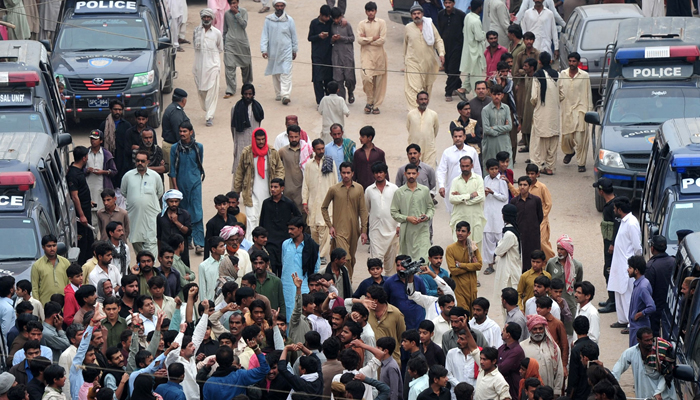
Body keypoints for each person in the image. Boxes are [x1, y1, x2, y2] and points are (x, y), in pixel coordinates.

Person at [233, 128, 285, 238]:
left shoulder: (272, 152)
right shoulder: (247, 153)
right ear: (254, 139)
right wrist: (236, 190)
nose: (261, 142)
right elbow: (240, 172)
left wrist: (277, 184)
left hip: (268, 194)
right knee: (252, 218)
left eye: (263, 139)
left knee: (266, 219)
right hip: (251, 193)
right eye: (258, 139)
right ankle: (251, 245)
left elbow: (280, 169)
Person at [322, 162, 369, 279]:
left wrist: (363, 231)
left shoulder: (359, 189)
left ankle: (349, 282)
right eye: (343, 173)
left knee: (351, 258)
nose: (346, 175)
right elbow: (324, 207)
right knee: (345, 257)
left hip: (354, 230)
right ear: (340, 173)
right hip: (339, 231)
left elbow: (363, 210)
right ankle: (345, 282)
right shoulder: (334, 189)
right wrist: (330, 226)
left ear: (353, 173)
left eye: (348, 173)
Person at [170, 122, 205, 254]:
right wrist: (176, 188)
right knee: (183, 212)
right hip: (180, 184)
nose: (182, 134)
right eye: (180, 131)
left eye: (185, 131)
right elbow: (172, 170)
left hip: (195, 183)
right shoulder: (175, 148)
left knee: (197, 211)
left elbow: (199, 164)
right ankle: (187, 240)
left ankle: (199, 242)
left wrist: (196, 179)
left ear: (191, 132)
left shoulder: (198, 147)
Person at [608, 196, 642, 332]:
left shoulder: (632, 223)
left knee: (628, 294)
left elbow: (637, 247)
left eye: (615, 208)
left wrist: (634, 265)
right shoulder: (623, 221)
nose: (614, 210)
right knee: (619, 292)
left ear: (620, 209)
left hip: (627, 264)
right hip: (618, 263)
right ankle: (622, 319)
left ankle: (631, 323)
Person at [612, 328, 676, 400]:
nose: (650, 343)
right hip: (643, 396)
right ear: (638, 340)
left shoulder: (660, 353)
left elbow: (666, 376)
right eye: (647, 340)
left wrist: (658, 393)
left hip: (663, 397)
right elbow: (617, 371)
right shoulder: (630, 353)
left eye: (651, 339)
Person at [121, 151, 165, 256]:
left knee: (151, 244)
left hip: (151, 217)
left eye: (142, 161)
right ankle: (143, 268)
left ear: (148, 162)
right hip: (134, 218)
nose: (140, 163)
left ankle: (151, 268)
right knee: (137, 245)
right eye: (138, 161)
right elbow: (124, 192)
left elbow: (159, 193)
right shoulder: (128, 176)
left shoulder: (155, 176)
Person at [403, 3, 445, 109]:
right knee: (414, 87)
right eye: (414, 14)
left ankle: (423, 107)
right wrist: (406, 61)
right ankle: (413, 110)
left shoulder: (429, 25)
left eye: (418, 13)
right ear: (411, 15)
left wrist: (441, 53)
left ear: (422, 14)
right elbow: (405, 45)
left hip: (428, 62)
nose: (416, 16)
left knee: (426, 87)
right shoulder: (408, 28)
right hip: (413, 62)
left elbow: (438, 40)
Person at [302, 139, 338, 263]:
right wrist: (305, 201)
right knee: (313, 229)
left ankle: (322, 255)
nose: (321, 151)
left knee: (324, 228)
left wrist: (336, 199)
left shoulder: (329, 162)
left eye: (323, 148)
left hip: (326, 202)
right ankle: (316, 253)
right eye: (319, 149)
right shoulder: (309, 165)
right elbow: (305, 184)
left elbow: (335, 182)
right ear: (313, 150)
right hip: (313, 202)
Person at [391, 164, 435, 262]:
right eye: (409, 173)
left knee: (423, 260)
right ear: (405, 174)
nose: (411, 176)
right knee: (408, 261)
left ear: (418, 174)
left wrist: (426, 216)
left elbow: (431, 208)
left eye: (413, 173)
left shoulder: (424, 190)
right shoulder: (399, 192)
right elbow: (394, 212)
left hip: (422, 230)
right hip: (407, 232)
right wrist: (407, 218)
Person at [260, 178, 302, 275]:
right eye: (271, 187)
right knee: (272, 268)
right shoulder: (266, 203)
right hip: (270, 241)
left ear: (282, 188)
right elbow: (262, 221)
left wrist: (291, 227)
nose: (273, 189)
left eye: (276, 187)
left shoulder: (288, 203)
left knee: (284, 268)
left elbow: (298, 217)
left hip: (284, 241)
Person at [558, 52, 592, 172]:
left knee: (580, 137)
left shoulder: (584, 75)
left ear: (578, 62)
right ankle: (569, 152)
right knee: (567, 137)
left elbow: (588, 93)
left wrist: (590, 112)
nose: (572, 63)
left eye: (574, 61)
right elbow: (560, 92)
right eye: (570, 61)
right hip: (567, 110)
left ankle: (581, 163)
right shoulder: (563, 74)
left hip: (581, 110)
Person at [281, 218, 321, 320]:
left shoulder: (312, 246)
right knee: (288, 313)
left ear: (300, 229)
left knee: (303, 314)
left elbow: (315, 268)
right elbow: (283, 263)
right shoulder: (285, 244)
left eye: (292, 229)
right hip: (287, 286)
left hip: (304, 286)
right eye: (288, 229)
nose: (289, 231)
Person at [529, 52, 562, 175]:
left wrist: (537, 106)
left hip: (541, 113)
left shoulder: (537, 76)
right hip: (554, 114)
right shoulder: (558, 75)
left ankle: (536, 167)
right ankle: (550, 167)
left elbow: (533, 97)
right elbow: (562, 95)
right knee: (553, 141)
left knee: (538, 142)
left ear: (539, 62)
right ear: (551, 61)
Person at [365, 162, 400, 276]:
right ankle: (377, 290)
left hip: (393, 231)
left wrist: (399, 225)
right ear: (373, 174)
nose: (379, 175)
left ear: (385, 173)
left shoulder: (394, 188)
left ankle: (390, 290)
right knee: (376, 263)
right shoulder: (369, 190)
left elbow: (400, 208)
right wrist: (364, 231)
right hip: (376, 232)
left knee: (391, 266)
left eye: (381, 172)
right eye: (376, 173)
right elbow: (366, 210)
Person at [261, 0, 298, 105]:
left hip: (287, 50)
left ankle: (285, 95)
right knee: (276, 72)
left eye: (282, 6)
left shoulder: (289, 20)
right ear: (274, 7)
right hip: (273, 51)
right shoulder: (268, 20)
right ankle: (278, 93)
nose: (280, 8)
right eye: (277, 6)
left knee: (286, 72)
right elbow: (264, 35)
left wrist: (294, 49)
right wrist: (263, 49)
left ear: (284, 7)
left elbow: (294, 36)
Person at [438, 127, 481, 214]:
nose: (458, 138)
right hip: (453, 188)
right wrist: (441, 186)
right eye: (455, 136)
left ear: (464, 137)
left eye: (460, 136)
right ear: (453, 138)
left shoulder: (471, 151)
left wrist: (479, 187)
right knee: (454, 215)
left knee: (469, 214)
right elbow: (441, 170)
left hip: (470, 187)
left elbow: (477, 169)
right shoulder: (447, 152)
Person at [193, 9, 223, 127]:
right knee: (202, 92)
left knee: (212, 91)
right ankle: (208, 110)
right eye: (204, 17)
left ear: (212, 19)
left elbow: (220, 48)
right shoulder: (196, 31)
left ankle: (209, 116)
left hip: (213, 66)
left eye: (208, 17)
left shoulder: (216, 33)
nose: (206, 19)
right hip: (199, 67)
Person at [521, 315, 564, 396]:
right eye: (535, 329)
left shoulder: (553, 347)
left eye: (540, 329)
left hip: (549, 392)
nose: (538, 331)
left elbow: (559, 371)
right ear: (530, 330)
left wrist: (557, 391)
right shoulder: (523, 347)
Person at [357, 1, 388, 115]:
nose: (370, 13)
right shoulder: (362, 24)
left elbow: (382, 40)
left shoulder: (381, 23)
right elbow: (360, 40)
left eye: (372, 11)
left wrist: (367, 40)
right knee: (366, 78)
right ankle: (369, 100)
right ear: (366, 12)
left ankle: (376, 105)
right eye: (368, 11)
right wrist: (373, 38)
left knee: (379, 82)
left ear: (375, 11)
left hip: (379, 57)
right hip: (366, 57)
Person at [594, 178, 619, 313]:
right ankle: (611, 298)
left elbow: (617, 226)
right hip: (608, 242)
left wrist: (613, 244)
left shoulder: (612, 207)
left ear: (601, 191)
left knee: (609, 270)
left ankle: (614, 301)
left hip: (611, 244)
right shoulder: (613, 203)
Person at [67, 146, 95, 265]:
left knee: (90, 240)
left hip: (86, 208)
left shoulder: (79, 172)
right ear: (84, 158)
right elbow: (74, 196)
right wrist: (82, 215)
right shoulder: (73, 174)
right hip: (80, 216)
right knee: (83, 242)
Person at [449, 156, 485, 246]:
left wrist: (462, 199)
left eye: (467, 166)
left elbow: (481, 197)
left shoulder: (478, 179)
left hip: (475, 219)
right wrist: (469, 196)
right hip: (460, 218)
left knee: (476, 250)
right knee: (460, 250)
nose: (465, 168)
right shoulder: (455, 181)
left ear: (472, 166)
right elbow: (452, 199)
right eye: (462, 166)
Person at [231, 84, 264, 180]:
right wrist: (237, 141)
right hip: (241, 141)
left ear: (253, 94)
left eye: (250, 94)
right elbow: (233, 128)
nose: (248, 96)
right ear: (242, 94)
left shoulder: (257, 108)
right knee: (239, 168)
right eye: (246, 94)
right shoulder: (235, 108)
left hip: (255, 142)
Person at [447, 222, 482, 311]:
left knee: (473, 312)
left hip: (472, 286)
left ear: (469, 233)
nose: (460, 233)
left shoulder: (473, 246)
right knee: (463, 312)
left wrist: (461, 265)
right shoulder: (450, 249)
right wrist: (471, 267)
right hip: (459, 287)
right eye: (458, 231)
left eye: (463, 231)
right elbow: (453, 270)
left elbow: (479, 265)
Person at [509, 177, 542, 272]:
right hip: (520, 234)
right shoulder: (514, 202)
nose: (522, 187)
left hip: (533, 234)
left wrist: (533, 227)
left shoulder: (536, 200)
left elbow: (540, 216)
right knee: (520, 256)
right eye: (520, 185)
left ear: (529, 186)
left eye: (525, 185)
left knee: (534, 255)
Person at [481, 160, 508, 274]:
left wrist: (493, 193)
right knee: (488, 240)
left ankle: (504, 265)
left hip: (498, 215)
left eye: (496, 169)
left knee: (501, 240)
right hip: (487, 214)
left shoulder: (501, 180)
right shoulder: (485, 179)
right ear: (487, 170)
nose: (494, 171)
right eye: (492, 169)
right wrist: (484, 193)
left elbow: (504, 197)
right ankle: (490, 264)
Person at [99, 100, 132, 189]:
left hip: (122, 157)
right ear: (110, 110)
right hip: (108, 155)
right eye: (115, 109)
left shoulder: (126, 125)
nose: (118, 112)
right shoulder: (104, 124)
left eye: (120, 110)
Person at [456, 0, 486, 99]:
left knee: (471, 72)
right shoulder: (476, 21)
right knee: (476, 75)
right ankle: (476, 97)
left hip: (469, 49)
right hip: (475, 52)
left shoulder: (468, 17)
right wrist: (485, 34)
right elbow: (479, 37)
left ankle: (462, 89)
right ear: (479, 8)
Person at [85, 130, 117, 222]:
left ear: (101, 141)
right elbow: (79, 169)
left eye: (95, 139)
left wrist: (103, 172)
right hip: (89, 190)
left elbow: (114, 171)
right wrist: (87, 170)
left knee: (104, 217)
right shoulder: (85, 153)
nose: (93, 141)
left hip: (102, 190)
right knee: (92, 218)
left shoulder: (106, 154)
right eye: (91, 139)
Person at [223, 0, 252, 99]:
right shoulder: (226, 14)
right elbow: (225, 29)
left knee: (246, 65)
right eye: (231, 3)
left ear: (238, 2)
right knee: (229, 65)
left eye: (235, 2)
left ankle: (247, 86)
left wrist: (237, 14)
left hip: (242, 42)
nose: (233, 5)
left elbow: (244, 25)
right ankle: (230, 89)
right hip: (230, 43)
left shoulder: (243, 12)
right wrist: (224, 44)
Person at [437, 0, 465, 102]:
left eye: (450, 3)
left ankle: (448, 92)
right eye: (446, 3)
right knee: (448, 69)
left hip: (457, 46)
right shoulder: (440, 14)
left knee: (453, 68)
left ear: (454, 3)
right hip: (445, 46)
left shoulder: (461, 15)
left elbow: (464, 29)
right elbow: (439, 28)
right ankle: (457, 85)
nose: (448, 5)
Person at [481, 84, 512, 173]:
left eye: (499, 94)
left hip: (504, 141)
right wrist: (502, 130)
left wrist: (494, 128)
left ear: (502, 95)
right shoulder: (486, 110)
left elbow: (509, 127)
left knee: (505, 164)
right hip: (491, 142)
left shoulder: (506, 108)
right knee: (491, 165)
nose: (496, 97)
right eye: (494, 94)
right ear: (490, 94)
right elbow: (486, 129)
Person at [30, 236, 70, 306]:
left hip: (65, 305)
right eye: (49, 246)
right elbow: (35, 288)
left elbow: (70, 283)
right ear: (43, 247)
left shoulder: (65, 263)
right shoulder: (37, 266)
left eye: (54, 245)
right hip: (45, 306)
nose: (52, 249)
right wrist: (39, 307)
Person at [627, 256, 655, 347]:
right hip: (635, 326)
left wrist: (640, 314)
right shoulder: (641, 283)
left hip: (639, 327)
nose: (628, 270)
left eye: (630, 268)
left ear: (636, 271)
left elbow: (651, 307)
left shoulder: (642, 287)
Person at [567, 316, 597, 400]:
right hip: (592, 389)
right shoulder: (595, 346)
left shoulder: (575, 349)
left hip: (579, 392)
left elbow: (573, 376)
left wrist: (569, 394)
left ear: (575, 329)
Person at [308, 5, 334, 106]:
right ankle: (320, 102)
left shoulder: (330, 22)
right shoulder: (314, 23)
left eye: (328, 17)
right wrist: (319, 36)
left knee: (328, 78)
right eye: (325, 17)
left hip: (328, 54)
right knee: (317, 79)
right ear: (320, 15)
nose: (327, 19)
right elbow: (310, 37)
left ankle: (328, 100)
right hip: (317, 55)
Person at [406, 92, 440, 166]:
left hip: (429, 147)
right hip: (415, 147)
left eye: (425, 99)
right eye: (421, 99)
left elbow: (435, 130)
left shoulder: (433, 114)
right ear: (417, 101)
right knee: (414, 169)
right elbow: (409, 128)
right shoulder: (411, 114)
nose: (423, 101)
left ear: (428, 100)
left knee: (429, 169)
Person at [331, 7, 356, 101]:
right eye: (334, 18)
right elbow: (329, 41)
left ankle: (350, 91)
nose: (336, 20)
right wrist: (333, 39)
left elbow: (352, 38)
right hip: (336, 55)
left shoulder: (347, 25)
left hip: (347, 55)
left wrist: (341, 38)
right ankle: (341, 100)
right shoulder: (331, 26)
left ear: (341, 16)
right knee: (338, 79)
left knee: (349, 77)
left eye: (337, 18)